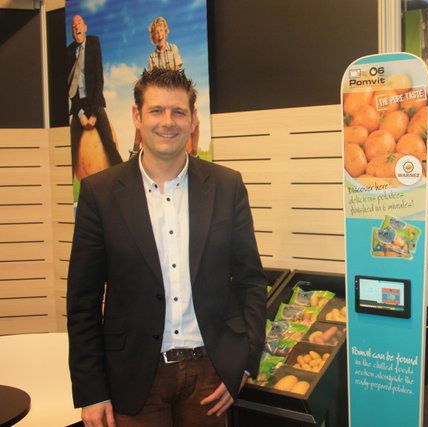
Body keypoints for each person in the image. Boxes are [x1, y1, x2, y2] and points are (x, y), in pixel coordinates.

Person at [67, 68, 267, 426]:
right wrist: (92, 391)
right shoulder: (100, 194)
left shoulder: (227, 186)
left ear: (192, 119)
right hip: (133, 378)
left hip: (210, 375)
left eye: (178, 112)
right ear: (137, 116)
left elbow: (251, 280)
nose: (167, 122)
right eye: (156, 110)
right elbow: (83, 302)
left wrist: (246, 362)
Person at [130, 17, 200, 159]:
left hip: (175, 92)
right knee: (142, 119)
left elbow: (178, 72)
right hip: (159, 95)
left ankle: (194, 152)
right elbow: (152, 80)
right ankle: (135, 150)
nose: (159, 34)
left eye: (161, 31)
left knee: (196, 122)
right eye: (156, 32)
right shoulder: (152, 57)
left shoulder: (173, 49)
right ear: (153, 37)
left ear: (166, 32)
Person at [67, 15, 123, 172]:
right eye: (73, 26)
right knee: (71, 152)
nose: (76, 27)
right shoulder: (69, 51)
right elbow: (70, 88)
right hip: (79, 106)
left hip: (94, 103)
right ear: (72, 32)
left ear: (85, 28)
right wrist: (80, 114)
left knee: (110, 146)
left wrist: (94, 114)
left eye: (79, 24)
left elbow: (99, 80)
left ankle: (126, 180)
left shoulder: (93, 43)